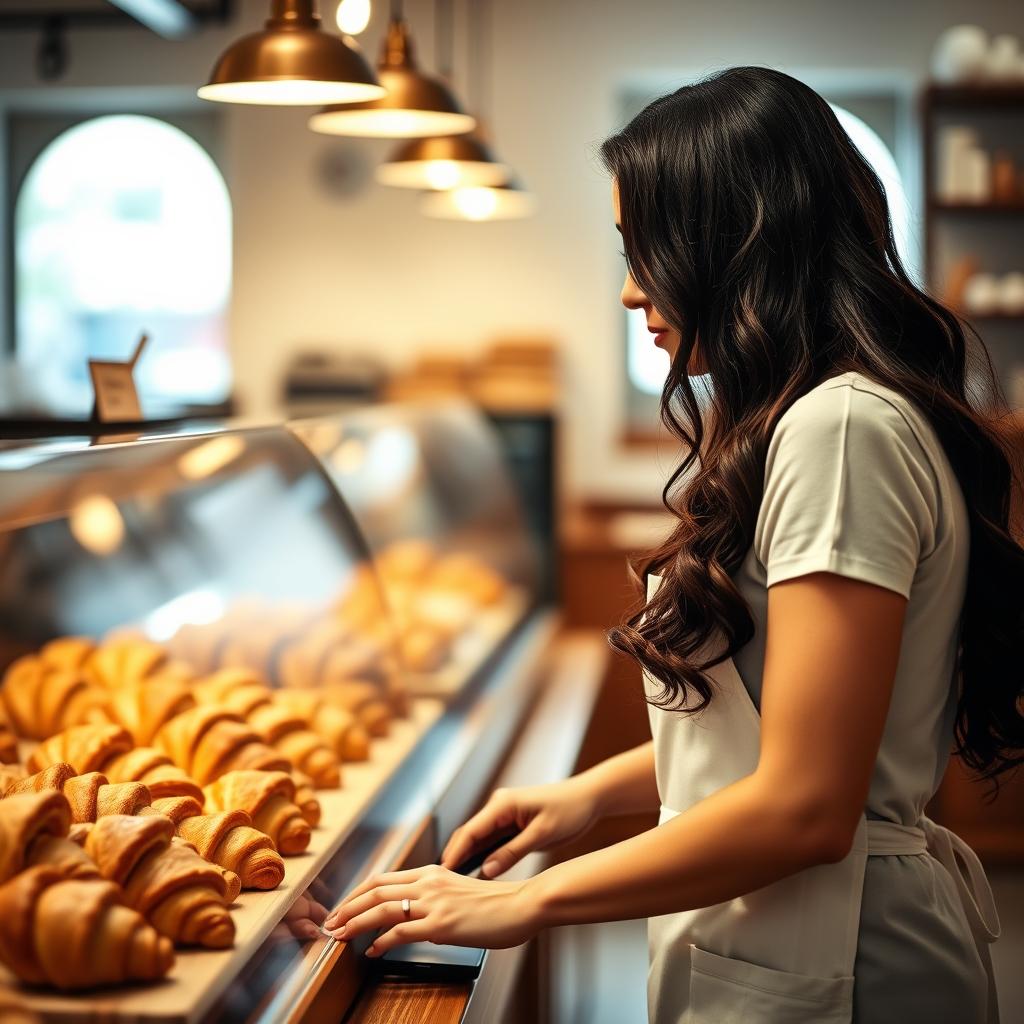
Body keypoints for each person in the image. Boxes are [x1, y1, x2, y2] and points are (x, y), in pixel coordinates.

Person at [322, 66, 1024, 1023]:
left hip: (854, 965)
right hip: (799, 945)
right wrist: (594, 794)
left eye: (644, 249)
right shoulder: (817, 420)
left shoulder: (842, 430)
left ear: (736, 245)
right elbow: (782, 733)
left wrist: (528, 900)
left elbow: (809, 804)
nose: (626, 290)